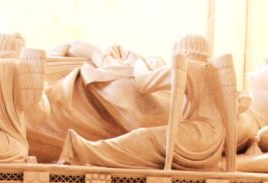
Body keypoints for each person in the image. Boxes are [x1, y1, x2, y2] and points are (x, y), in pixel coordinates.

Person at [59, 34, 225, 171]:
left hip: (199, 134)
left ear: (182, 53)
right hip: (214, 138)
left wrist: (138, 61)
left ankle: (83, 150)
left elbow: (145, 83)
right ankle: (85, 150)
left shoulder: (187, 65)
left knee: (144, 138)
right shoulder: (213, 71)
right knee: (147, 141)